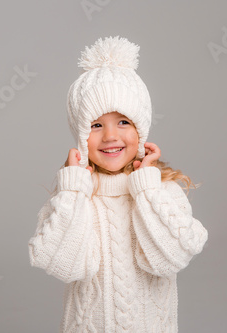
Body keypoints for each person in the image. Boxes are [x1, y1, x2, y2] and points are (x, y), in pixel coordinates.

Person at [28, 35, 208, 333]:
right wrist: (73, 189)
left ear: (142, 128)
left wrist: (146, 187)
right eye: (96, 125)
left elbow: (170, 258)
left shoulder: (161, 191)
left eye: (123, 122)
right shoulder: (75, 197)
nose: (110, 136)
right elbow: (64, 264)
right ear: (81, 135)